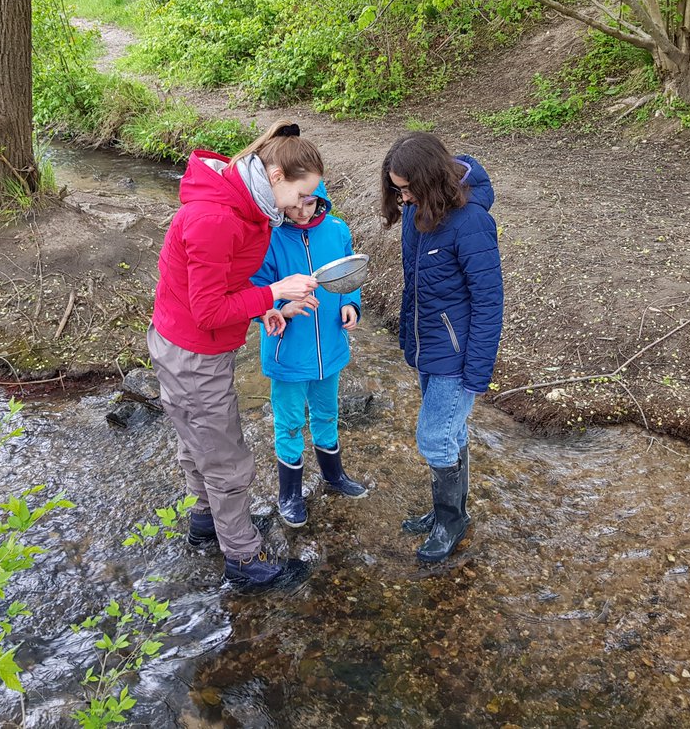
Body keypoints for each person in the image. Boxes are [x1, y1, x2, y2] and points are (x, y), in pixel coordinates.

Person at [146, 120, 322, 590]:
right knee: (225, 455)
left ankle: (206, 523)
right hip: (192, 352)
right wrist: (271, 294)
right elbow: (207, 311)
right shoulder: (216, 217)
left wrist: (263, 307)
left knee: (196, 437)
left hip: (181, 343)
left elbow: (223, 281)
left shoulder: (245, 199)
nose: (305, 205)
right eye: (304, 194)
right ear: (278, 176)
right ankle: (243, 559)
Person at [380, 132, 503, 562]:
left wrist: (477, 372)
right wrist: (409, 343)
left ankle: (451, 522)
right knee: (451, 432)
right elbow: (416, 287)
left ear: (430, 179)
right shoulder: (418, 214)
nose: (403, 197)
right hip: (428, 346)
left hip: (457, 354)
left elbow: (489, 303)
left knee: (434, 438)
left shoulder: (471, 222)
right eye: (397, 189)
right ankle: (446, 513)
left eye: (408, 188)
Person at [251, 182, 368, 528]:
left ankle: (335, 476)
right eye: (293, 204)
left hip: (330, 349)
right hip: (287, 353)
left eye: (310, 202)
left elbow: (350, 277)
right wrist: (282, 308)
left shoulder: (337, 230)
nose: (301, 211)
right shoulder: (268, 238)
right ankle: (290, 494)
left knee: (327, 414)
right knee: (288, 424)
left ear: (322, 198)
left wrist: (351, 305)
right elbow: (254, 289)